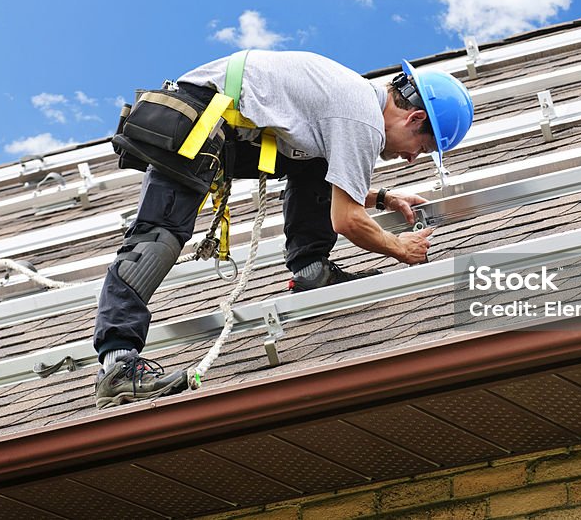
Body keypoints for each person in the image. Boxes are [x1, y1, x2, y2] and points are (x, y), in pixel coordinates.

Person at [93, 50, 474, 408]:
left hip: (219, 124)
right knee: (156, 241)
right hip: (197, 121)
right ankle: (117, 365)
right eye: (420, 149)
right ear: (415, 119)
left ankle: (312, 270)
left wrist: (382, 198)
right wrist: (399, 248)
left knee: (314, 163)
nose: (409, 158)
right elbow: (347, 220)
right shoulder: (363, 119)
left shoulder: (355, 100)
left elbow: (333, 178)